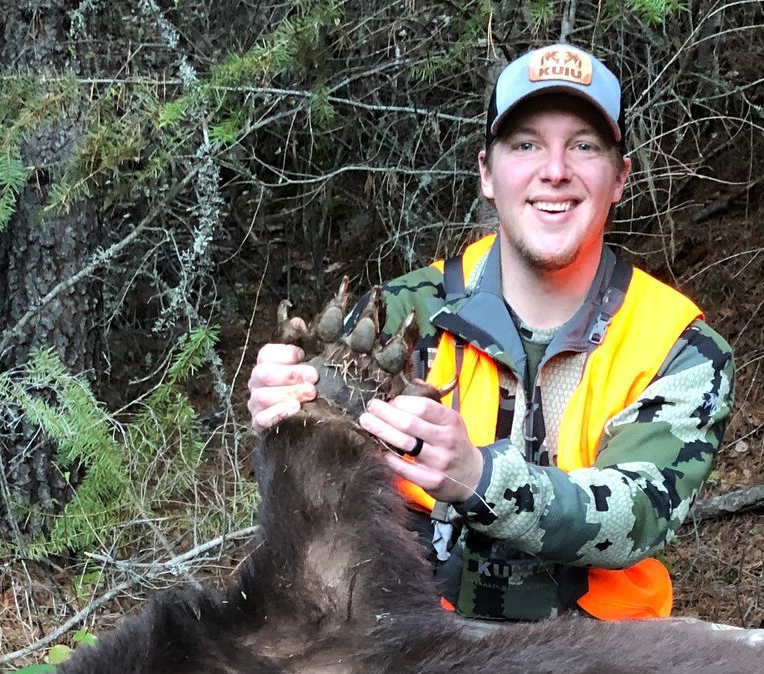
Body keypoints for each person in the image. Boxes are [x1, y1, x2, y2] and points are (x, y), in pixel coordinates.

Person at [246, 44, 734, 621]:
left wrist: (477, 477)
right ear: (487, 173)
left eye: (582, 145)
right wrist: (289, 419)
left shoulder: (680, 349)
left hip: (603, 667)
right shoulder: (406, 314)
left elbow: (635, 515)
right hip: (425, 644)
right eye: (526, 144)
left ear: (620, 178)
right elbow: (326, 512)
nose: (555, 170)